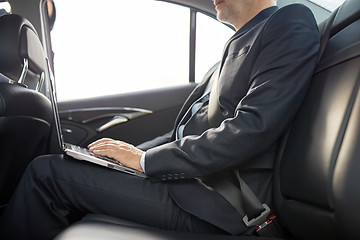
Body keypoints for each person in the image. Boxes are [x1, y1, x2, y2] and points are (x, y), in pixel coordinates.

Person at [0, 0, 320, 239]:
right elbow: (181, 134)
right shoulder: (228, 51)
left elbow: (252, 128)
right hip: (192, 185)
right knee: (63, 166)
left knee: (46, 174)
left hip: (222, 201)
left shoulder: (288, 21)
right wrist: (124, 157)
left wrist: (145, 161)